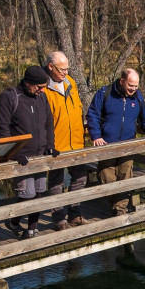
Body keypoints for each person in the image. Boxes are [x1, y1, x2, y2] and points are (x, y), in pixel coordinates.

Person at [86, 68, 145, 216]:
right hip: (106, 145)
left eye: (136, 86)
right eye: (130, 85)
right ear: (122, 81)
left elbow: (144, 117)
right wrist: (96, 136)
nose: (133, 89)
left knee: (125, 177)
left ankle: (120, 211)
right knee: (107, 177)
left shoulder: (137, 97)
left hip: (127, 145)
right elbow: (93, 115)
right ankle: (117, 207)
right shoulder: (104, 93)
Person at [0, 65, 55, 239]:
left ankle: (31, 228)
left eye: (44, 87)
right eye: (39, 87)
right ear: (28, 83)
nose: (42, 91)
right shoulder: (9, 97)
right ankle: (14, 222)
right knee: (27, 194)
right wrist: (12, 152)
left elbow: (48, 123)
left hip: (41, 153)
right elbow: (3, 128)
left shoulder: (42, 97)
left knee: (39, 191)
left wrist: (50, 144)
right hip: (22, 156)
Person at [43, 51, 90, 231]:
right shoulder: (43, 87)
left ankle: (75, 213)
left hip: (75, 142)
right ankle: (59, 219)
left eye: (67, 68)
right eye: (62, 69)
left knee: (80, 177)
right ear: (50, 67)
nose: (65, 72)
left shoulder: (71, 82)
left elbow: (77, 109)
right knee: (56, 182)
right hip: (56, 144)